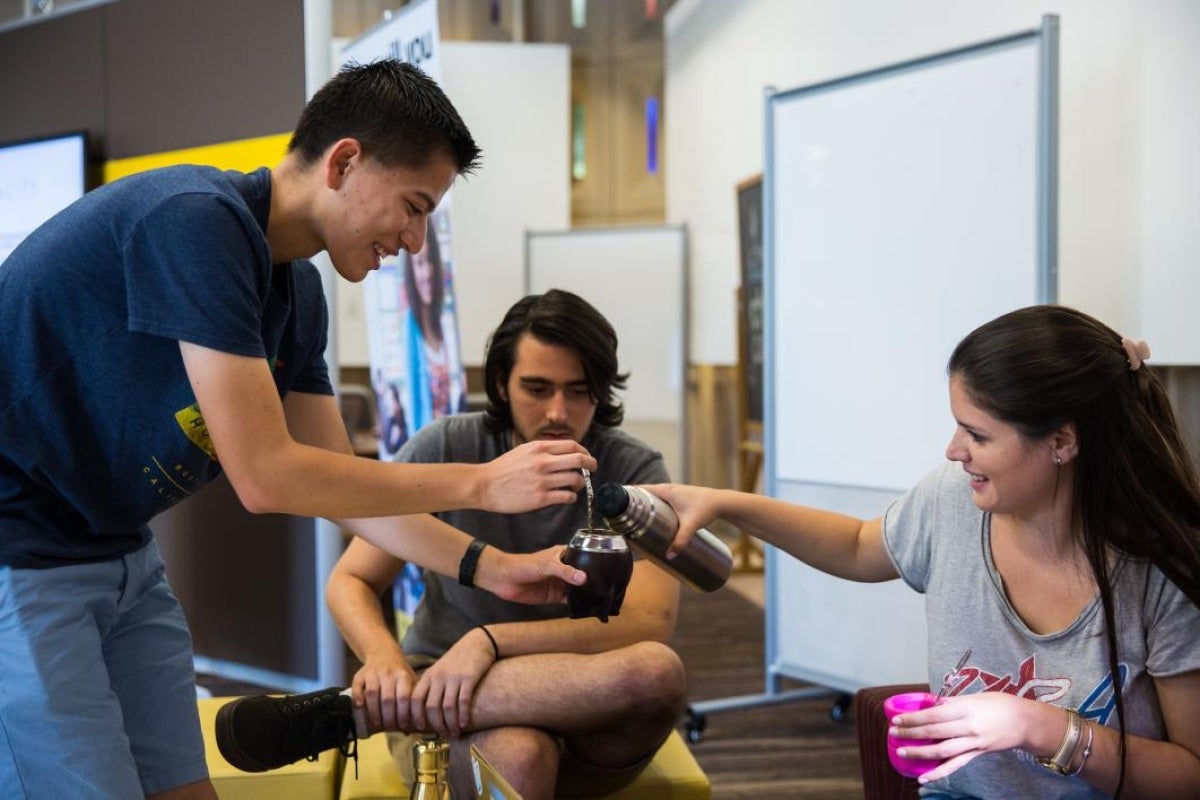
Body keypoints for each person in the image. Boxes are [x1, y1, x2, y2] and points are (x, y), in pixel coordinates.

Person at [0, 60, 596, 800]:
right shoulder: (194, 220)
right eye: (412, 207)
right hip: (17, 554)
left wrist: (490, 566)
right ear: (344, 161)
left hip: (119, 552)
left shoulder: (298, 293)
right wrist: (482, 483)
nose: (414, 242)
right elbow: (266, 475)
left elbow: (341, 488)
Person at [651, 305, 1200, 799]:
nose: (953, 451)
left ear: (1061, 442)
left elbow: (1189, 774)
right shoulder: (952, 500)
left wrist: (1042, 727)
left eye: (977, 435)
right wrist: (727, 504)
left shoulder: (1164, 570)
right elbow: (858, 546)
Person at [219, 289, 687, 799]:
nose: (558, 411)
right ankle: (393, 703)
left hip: (582, 708)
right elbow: (351, 578)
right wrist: (382, 658)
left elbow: (648, 622)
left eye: (579, 391)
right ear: (502, 386)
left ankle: (359, 714)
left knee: (658, 673)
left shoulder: (636, 471)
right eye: (537, 388)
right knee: (522, 755)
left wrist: (488, 643)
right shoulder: (446, 446)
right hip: (450, 700)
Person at [403, 216, 467, 428]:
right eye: (420, 264)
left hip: (452, 441)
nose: (427, 272)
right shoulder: (409, 327)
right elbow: (412, 402)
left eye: (431, 261)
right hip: (421, 447)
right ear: (411, 272)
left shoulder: (446, 325)